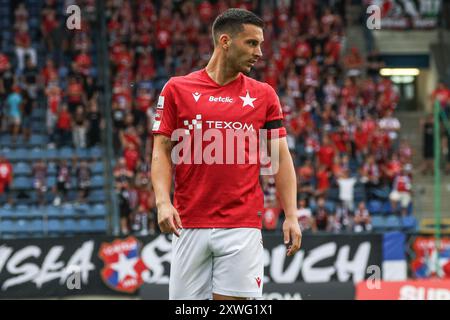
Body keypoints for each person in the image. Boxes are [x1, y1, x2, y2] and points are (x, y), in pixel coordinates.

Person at [151, 9, 301, 300]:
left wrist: (292, 215)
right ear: (225, 41)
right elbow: (161, 149)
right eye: (251, 43)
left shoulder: (264, 95)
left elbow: (279, 159)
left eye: (260, 44)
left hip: (241, 225)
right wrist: (162, 202)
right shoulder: (176, 89)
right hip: (188, 224)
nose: (259, 53)